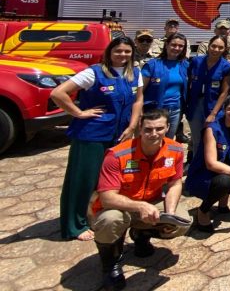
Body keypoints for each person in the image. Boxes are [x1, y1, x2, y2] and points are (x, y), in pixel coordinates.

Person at [51, 36, 144, 242]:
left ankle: (96, 214)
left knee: (109, 180)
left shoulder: (134, 73)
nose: (122, 55)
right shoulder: (94, 73)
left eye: (127, 51)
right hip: (92, 135)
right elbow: (58, 93)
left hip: (119, 135)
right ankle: (74, 225)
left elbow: (138, 100)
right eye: (118, 51)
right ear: (109, 52)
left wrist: (132, 125)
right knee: (83, 180)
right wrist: (78, 113)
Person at [89, 108, 189, 290]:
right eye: (148, 129)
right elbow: (106, 198)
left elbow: (175, 183)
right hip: (119, 207)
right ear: (139, 129)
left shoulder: (175, 149)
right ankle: (110, 264)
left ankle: (141, 234)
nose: (154, 134)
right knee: (110, 220)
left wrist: (170, 213)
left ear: (167, 127)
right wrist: (140, 206)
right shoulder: (117, 155)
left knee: (182, 221)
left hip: (150, 202)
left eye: (159, 128)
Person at [185, 94, 230, 231]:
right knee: (226, 181)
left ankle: (223, 204)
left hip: (227, 169)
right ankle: (203, 210)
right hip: (204, 175)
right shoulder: (212, 129)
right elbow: (211, 164)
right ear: (224, 109)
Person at [186, 35, 230, 157]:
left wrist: (213, 114)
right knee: (197, 138)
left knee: (211, 137)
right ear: (208, 46)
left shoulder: (227, 67)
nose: (216, 50)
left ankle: (211, 163)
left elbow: (224, 92)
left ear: (224, 49)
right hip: (195, 104)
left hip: (213, 105)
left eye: (220, 47)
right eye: (213, 46)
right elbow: (188, 82)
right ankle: (196, 166)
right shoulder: (196, 61)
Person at [141, 33, 189, 138]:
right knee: (152, 139)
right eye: (173, 44)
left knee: (168, 140)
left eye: (181, 46)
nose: (177, 48)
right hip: (154, 110)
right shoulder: (152, 65)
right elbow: (139, 91)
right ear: (166, 45)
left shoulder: (185, 65)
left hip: (175, 110)